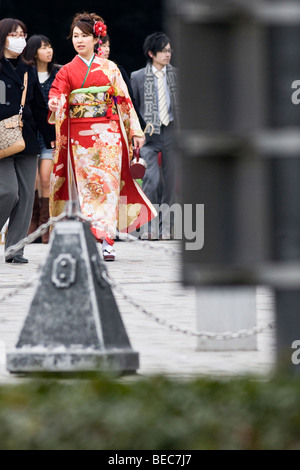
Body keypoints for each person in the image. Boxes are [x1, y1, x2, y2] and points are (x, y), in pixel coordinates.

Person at [48, 12, 156, 261]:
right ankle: (91, 236)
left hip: (108, 137)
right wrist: (55, 102)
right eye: (75, 36)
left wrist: (134, 131)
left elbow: (124, 101)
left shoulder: (110, 69)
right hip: (79, 140)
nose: (79, 41)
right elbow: (57, 91)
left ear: (96, 38)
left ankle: (107, 240)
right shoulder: (66, 70)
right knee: (87, 189)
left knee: (106, 188)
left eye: (84, 36)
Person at [0, 18, 55, 263]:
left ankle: (15, 249)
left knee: (25, 196)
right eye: (14, 34)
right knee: (8, 192)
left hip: (26, 138)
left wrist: (52, 138)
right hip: (1, 139)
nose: (20, 38)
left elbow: (40, 108)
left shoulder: (28, 68)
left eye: (23, 34)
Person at [130, 32, 179, 240]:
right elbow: (133, 106)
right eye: (163, 51)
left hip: (172, 131)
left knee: (171, 181)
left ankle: (167, 227)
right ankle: (149, 227)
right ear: (152, 53)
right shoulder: (137, 76)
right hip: (148, 135)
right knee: (151, 179)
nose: (168, 55)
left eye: (169, 50)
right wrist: (136, 132)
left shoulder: (177, 75)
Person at [24, 34, 61, 243]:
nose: (49, 51)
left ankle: (46, 223)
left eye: (50, 47)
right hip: (29, 132)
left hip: (51, 134)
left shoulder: (59, 73)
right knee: (32, 181)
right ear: (34, 51)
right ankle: (32, 220)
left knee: (46, 178)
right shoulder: (25, 73)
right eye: (44, 47)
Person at [99, 35, 146, 130]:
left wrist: (139, 124)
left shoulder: (117, 70)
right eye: (103, 46)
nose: (107, 49)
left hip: (114, 118)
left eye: (108, 46)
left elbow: (129, 98)